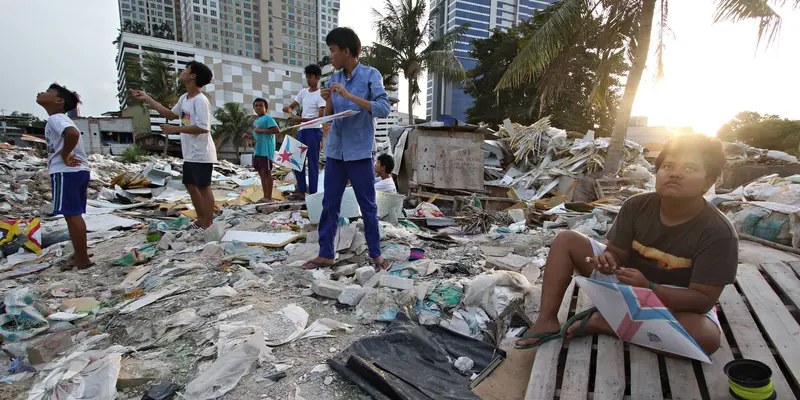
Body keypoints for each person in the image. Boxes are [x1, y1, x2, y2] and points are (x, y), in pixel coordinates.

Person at [516, 134, 736, 357]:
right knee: (566, 239)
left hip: (673, 302)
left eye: (689, 169)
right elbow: (617, 252)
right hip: (627, 286)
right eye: (668, 166)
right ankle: (546, 321)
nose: (675, 173)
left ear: (709, 182)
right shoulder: (636, 206)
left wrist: (650, 288)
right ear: (657, 173)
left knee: (706, 339)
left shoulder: (718, 232)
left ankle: (606, 324)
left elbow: (702, 300)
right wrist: (608, 259)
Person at [302, 27, 392, 270]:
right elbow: (330, 116)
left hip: (360, 152)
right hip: (335, 152)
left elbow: (383, 108)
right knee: (329, 203)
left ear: (347, 51)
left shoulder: (371, 75)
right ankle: (326, 253)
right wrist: (329, 101)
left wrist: (350, 96)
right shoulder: (335, 79)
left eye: (333, 51)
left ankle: (376, 255)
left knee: (367, 205)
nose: (331, 57)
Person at [131, 61, 217, 229]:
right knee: (190, 185)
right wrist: (147, 98)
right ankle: (201, 219)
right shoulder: (184, 98)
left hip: (201, 152)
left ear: (192, 76)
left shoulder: (200, 100)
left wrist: (174, 129)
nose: (182, 72)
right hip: (189, 153)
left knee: (203, 187)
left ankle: (208, 222)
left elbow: (203, 128)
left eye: (186, 69)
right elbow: (170, 114)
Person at [37, 83, 92, 270]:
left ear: (59, 100)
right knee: (75, 215)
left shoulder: (56, 118)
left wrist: (64, 154)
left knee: (72, 215)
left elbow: (72, 134)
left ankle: (82, 258)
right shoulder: (60, 119)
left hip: (66, 172)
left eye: (48, 92)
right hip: (78, 171)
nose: (41, 93)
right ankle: (81, 253)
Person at [283, 64, 327, 199]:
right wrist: (288, 109)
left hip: (314, 131)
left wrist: (300, 119)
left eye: (311, 77)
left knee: (312, 163)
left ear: (317, 78)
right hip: (302, 130)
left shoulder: (320, 95)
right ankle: (301, 191)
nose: (308, 80)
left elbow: (320, 117)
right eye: (307, 77)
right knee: (297, 161)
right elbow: (292, 106)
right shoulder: (303, 92)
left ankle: (312, 193)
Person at [251, 98, 280, 201]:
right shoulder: (256, 120)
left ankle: (269, 196)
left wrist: (260, 130)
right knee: (261, 174)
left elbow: (276, 130)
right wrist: (249, 137)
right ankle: (265, 196)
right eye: (256, 105)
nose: (258, 107)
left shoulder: (268, 118)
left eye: (261, 105)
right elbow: (256, 135)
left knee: (266, 173)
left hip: (266, 151)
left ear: (266, 108)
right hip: (258, 150)